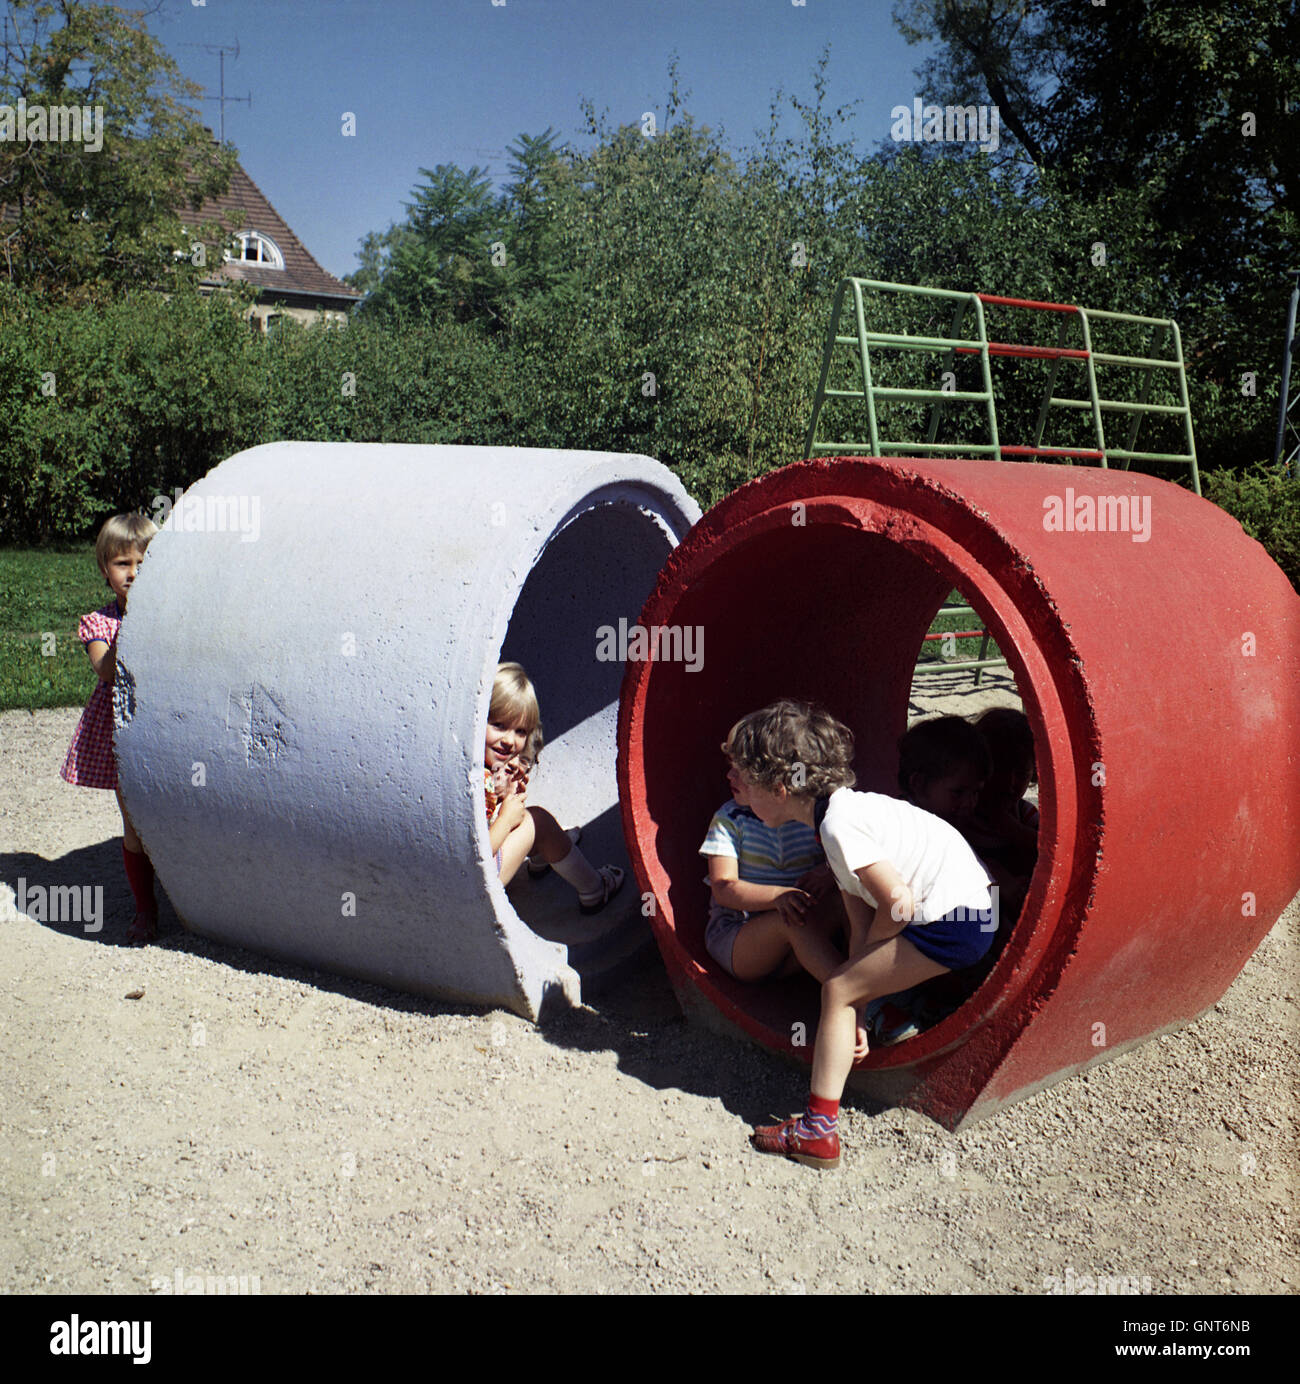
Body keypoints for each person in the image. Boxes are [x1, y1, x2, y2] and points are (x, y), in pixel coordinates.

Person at [749, 708, 996, 1170]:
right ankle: (823, 1115)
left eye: (744, 781)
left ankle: (817, 1134)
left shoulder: (838, 826)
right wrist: (861, 994)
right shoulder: (844, 811)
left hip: (954, 919)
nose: (737, 789)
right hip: (970, 910)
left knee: (836, 989)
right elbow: (858, 911)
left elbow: (897, 904)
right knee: (846, 987)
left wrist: (855, 984)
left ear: (780, 789)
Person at [59, 513, 159, 943]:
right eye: (123, 564)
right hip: (122, 738)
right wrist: (133, 625)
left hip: (163, 733)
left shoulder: (171, 617)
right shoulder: (99, 623)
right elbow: (104, 670)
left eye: (144, 563)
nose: (134, 573)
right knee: (135, 823)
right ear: (105, 568)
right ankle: (145, 909)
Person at [699, 702, 849, 985]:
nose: (729, 776)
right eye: (730, 767)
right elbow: (723, 888)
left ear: (777, 783)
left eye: (740, 770)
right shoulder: (730, 819)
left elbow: (847, 860)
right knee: (790, 922)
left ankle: (866, 982)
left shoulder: (810, 815)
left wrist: (828, 874)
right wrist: (777, 896)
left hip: (802, 934)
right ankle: (852, 996)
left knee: (847, 899)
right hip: (740, 938)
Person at [484, 662, 623, 912]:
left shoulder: (473, 765)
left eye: (520, 732)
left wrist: (503, 792)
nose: (508, 741)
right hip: (478, 876)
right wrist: (505, 819)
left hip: (468, 873)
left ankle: (542, 853)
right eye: (499, 726)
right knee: (539, 821)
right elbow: (474, 855)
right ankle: (594, 889)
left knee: (521, 814)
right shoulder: (480, 783)